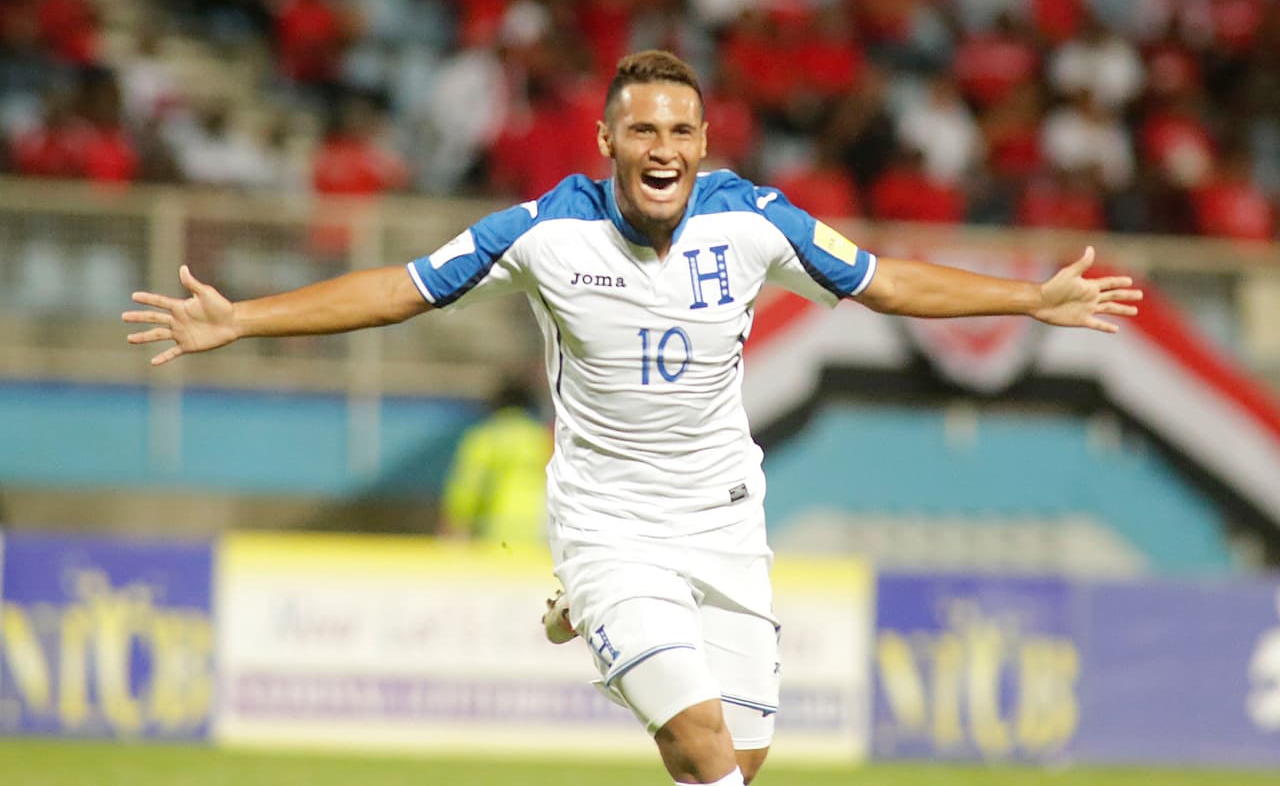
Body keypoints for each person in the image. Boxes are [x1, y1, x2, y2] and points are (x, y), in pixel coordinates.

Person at [124, 50, 1142, 786]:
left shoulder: (754, 219)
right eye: (643, 130)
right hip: (608, 524)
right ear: (607, 141)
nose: (663, 149)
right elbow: (401, 288)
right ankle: (603, 601)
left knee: (726, 761)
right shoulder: (542, 231)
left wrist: (1027, 298)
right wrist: (241, 318)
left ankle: (604, 632)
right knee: (701, 738)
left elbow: (884, 280)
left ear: (703, 144)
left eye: (681, 132)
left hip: (723, 520)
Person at [439, 374, 553, 543]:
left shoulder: (487, 437)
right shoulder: (540, 436)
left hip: (500, 526)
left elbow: (468, 487)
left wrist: (455, 524)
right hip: (541, 527)